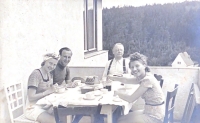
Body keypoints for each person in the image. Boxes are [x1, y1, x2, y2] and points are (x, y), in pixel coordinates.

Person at [109, 52, 165, 123]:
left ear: (144, 65)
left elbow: (130, 99)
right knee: (121, 119)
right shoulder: (143, 76)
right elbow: (126, 80)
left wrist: (116, 93)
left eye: (137, 66)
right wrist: (112, 77)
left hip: (154, 116)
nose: (134, 69)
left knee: (121, 121)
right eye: (132, 67)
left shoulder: (147, 79)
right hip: (148, 111)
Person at [25, 53, 59, 123]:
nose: (52, 66)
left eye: (54, 65)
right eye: (50, 63)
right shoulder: (36, 74)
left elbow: (49, 91)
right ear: (44, 62)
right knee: (55, 121)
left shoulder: (49, 74)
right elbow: (31, 97)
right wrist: (48, 91)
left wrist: (54, 89)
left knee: (63, 114)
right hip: (32, 108)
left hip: (44, 106)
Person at [51, 47, 80, 123]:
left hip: (59, 95)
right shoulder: (53, 67)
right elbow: (50, 86)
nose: (67, 59)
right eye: (64, 56)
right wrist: (66, 86)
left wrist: (72, 84)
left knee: (79, 107)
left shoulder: (67, 69)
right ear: (59, 56)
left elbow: (68, 83)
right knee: (69, 108)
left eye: (69, 57)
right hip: (51, 97)